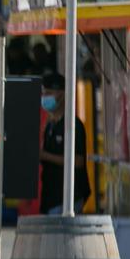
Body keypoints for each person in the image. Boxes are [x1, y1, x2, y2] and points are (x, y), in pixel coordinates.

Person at [39, 72, 91, 215]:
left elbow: (78, 161)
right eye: (43, 93)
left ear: (62, 94)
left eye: (49, 93)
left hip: (67, 197)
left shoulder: (73, 125)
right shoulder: (50, 125)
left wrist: (44, 156)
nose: (45, 98)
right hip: (51, 196)